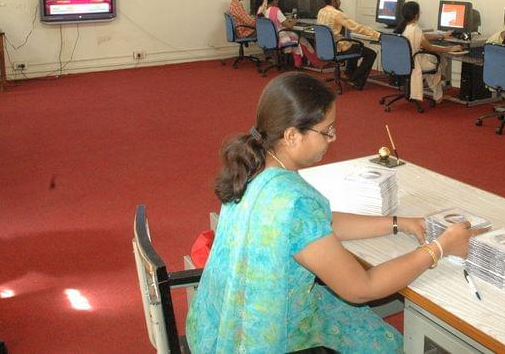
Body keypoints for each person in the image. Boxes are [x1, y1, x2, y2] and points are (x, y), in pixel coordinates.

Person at [185, 73, 474, 353]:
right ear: (291, 136)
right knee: (390, 345)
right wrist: (440, 247)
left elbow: (317, 225)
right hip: (260, 339)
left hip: (218, 325)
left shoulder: (253, 166)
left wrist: (401, 223)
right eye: (327, 131)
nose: (333, 138)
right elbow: (362, 287)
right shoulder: (294, 201)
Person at [393, 1, 462, 103]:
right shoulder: (415, 29)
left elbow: (423, 36)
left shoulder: (403, 28)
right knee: (436, 62)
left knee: (435, 61)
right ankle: (438, 95)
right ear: (416, 15)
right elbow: (431, 48)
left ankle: (436, 79)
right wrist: (450, 49)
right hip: (414, 63)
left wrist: (442, 36)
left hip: (403, 61)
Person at [316, 0, 381, 90]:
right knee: (371, 53)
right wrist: (376, 34)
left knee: (354, 46)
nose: (340, 2)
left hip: (327, 49)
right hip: (337, 48)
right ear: (333, 1)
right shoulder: (336, 14)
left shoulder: (321, 11)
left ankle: (349, 74)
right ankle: (355, 79)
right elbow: (356, 27)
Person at [263, 0, 323, 69]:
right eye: (278, 0)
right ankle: (314, 63)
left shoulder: (267, 10)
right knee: (302, 40)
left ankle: (303, 62)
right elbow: (289, 26)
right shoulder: (276, 10)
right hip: (280, 37)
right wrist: (295, 21)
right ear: (275, 0)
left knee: (298, 37)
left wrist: (287, 20)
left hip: (272, 37)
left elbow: (280, 21)